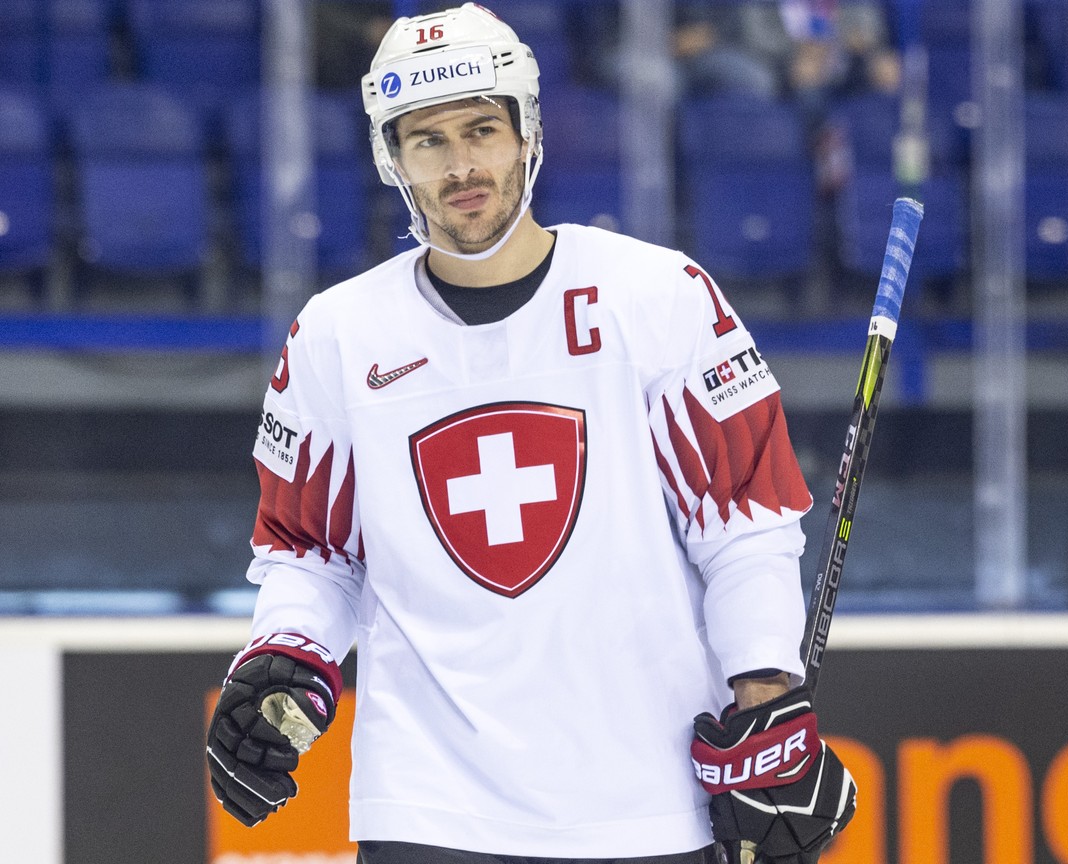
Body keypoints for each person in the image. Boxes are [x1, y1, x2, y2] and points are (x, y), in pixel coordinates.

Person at [203, 5, 855, 863]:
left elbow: (746, 525)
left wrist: (766, 685)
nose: (461, 165)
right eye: (427, 141)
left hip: (645, 800)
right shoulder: (337, 333)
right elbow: (310, 551)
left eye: (481, 129)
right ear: (392, 158)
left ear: (527, 133)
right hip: (428, 809)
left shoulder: (658, 296)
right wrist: (287, 654)